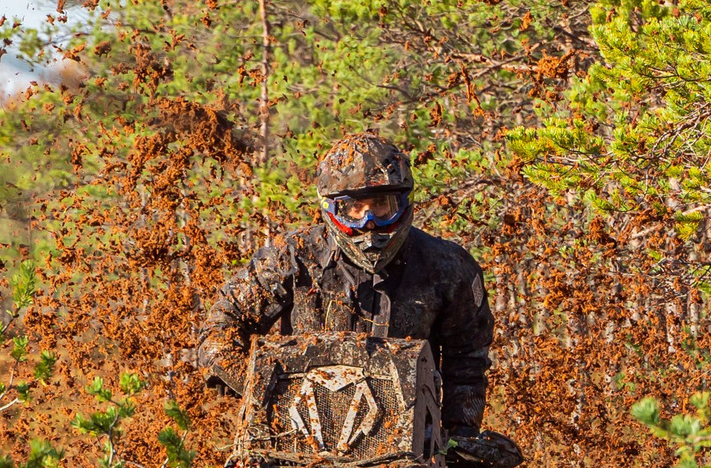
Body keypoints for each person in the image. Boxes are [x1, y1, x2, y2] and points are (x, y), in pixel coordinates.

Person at [197, 133, 499, 446]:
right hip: (297, 438)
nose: (369, 221)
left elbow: (467, 360)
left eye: (381, 206)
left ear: (403, 203)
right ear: (332, 208)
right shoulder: (292, 257)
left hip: (406, 446)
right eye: (354, 208)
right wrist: (270, 393)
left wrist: (459, 436)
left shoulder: (447, 267)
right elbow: (218, 331)